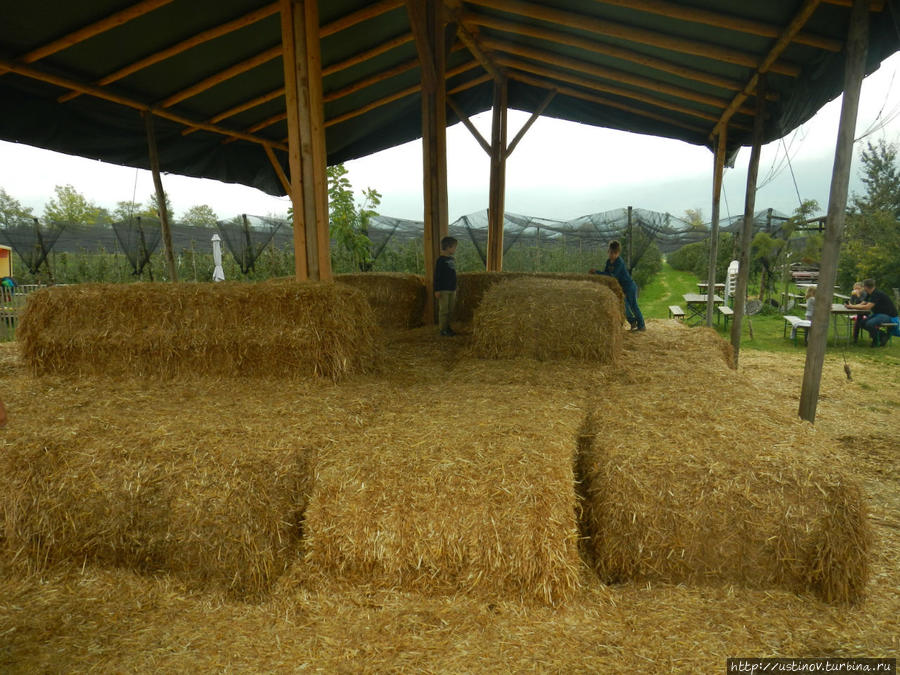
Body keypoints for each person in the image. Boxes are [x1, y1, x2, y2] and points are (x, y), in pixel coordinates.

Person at [591, 240, 645, 332]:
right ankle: (632, 322)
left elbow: (612, 276)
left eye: (614, 253)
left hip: (629, 286)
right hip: (621, 288)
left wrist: (596, 272)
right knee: (624, 306)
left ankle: (641, 326)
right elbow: (606, 274)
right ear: (608, 251)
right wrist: (598, 275)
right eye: (611, 252)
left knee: (633, 306)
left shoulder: (619, 262)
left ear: (618, 253)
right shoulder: (608, 262)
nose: (612, 255)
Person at [844, 278, 899, 347]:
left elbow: (867, 307)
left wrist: (852, 307)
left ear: (866, 287)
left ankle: (876, 341)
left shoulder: (876, 294)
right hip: (878, 314)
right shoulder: (869, 293)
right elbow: (863, 303)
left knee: (870, 324)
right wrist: (851, 305)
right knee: (861, 322)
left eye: (863, 286)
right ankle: (882, 335)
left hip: (888, 316)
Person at [434, 236, 458, 337]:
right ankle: (442, 329)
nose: (455, 249)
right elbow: (437, 275)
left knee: (450, 310)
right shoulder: (440, 260)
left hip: (452, 289)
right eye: (454, 247)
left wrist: (456, 285)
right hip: (443, 290)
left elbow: (453, 274)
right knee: (444, 310)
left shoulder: (452, 259)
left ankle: (447, 327)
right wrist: (437, 290)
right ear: (448, 247)